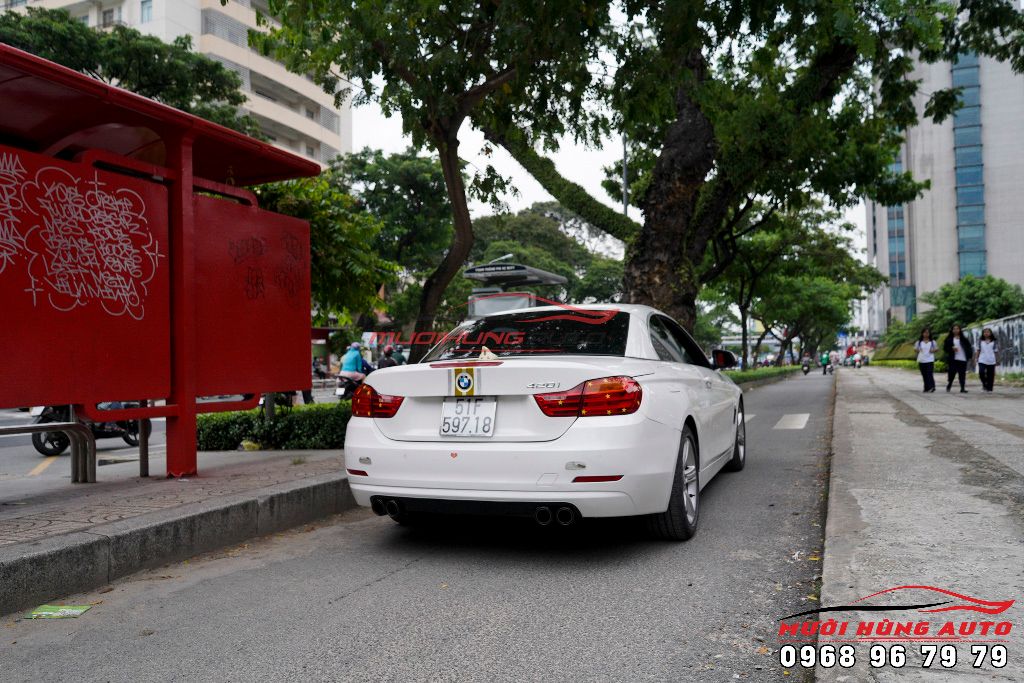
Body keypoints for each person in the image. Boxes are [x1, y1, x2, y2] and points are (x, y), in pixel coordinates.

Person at [943, 324, 973, 393]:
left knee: (962, 374)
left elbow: (969, 348)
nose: (956, 330)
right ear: (952, 330)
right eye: (954, 329)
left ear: (959, 330)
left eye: (957, 329)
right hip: (953, 359)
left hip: (963, 359)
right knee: (952, 373)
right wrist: (951, 348)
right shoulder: (949, 339)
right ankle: (949, 384)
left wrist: (970, 356)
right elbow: (945, 348)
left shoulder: (964, 339)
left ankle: (962, 388)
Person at [974, 327, 999, 392]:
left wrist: (997, 360)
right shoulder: (980, 341)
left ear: (990, 333)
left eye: (988, 332)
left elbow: (996, 351)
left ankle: (989, 388)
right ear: (983, 333)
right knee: (981, 373)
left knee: (990, 375)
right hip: (982, 360)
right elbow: (978, 350)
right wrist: (976, 358)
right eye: (985, 332)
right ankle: (984, 383)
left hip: (991, 360)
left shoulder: (994, 341)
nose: (986, 333)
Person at [914, 327, 938, 393]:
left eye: (927, 332)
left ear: (929, 333)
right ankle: (926, 388)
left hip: (930, 360)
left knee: (929, 373)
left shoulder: (932, 342)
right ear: (922, 333)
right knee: (924, 374)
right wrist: (918, 350)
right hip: (922, 360)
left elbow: (937, 349)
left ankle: (932, 387)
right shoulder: (919, 342)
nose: (926, 334)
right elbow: (915, 349)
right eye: (925, 332)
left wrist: (933, 350)